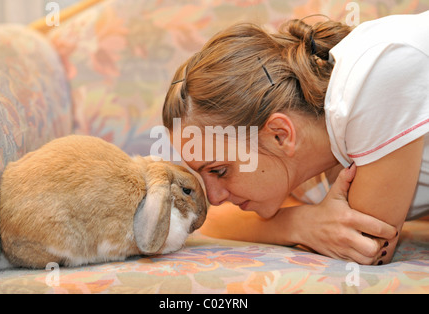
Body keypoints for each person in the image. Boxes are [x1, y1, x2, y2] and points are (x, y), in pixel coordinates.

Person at [162, 11, 429, 265]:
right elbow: (211, 221)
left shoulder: (378, 71)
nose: (214, 197)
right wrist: (304, 223)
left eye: (220, 170)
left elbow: (366, 247)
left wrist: (293, 221)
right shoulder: (303, 160)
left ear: (280, 135)